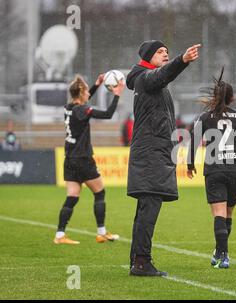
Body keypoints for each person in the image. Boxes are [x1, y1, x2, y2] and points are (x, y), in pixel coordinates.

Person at [126, 40, 201, 276]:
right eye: (160, 52)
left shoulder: (149, 79)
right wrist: (182, 60)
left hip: (154, 152)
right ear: (148, 58)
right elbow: (163, 75)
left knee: (146, 208)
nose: (166, 54)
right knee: (149, 208)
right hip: (151, 153)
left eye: (168, 51)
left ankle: (137, 260)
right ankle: (141, 262)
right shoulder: (146, 78)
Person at [187, 68, 236, 269]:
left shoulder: (204, 118)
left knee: (218, 213)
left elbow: (194, 141)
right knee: (228, 213)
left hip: (215, 169)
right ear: (231, 98)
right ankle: (220, 252)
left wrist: (190, 164)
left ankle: (223, 254)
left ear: (215, 97)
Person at [54, 74, 125, 244]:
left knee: (72, 196)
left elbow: (83, 101)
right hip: (83, 159)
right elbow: (108, 114)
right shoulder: (83, 110)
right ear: (81, 93)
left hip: (69, 158)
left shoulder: (68, 107)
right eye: (87, 91)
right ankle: (101, 232)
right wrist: (117, 94)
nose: (88, 94)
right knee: (99, 192)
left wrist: (96, 84)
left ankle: (59, 235)